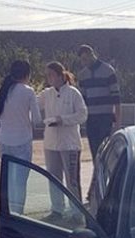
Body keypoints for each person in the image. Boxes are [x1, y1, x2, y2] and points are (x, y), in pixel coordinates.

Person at [38, 61, 88, 219]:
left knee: (72, 179)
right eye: (47, 75)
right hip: (51, 143)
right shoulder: (46, 94)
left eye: (51, 75)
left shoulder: (73, 93)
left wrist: (63, 119)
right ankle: (57, 209)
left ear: (60, 75)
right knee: (54, 178)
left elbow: (82, 115)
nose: (49, 78)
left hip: (70, 144)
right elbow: (33, 104)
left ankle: (76, 211)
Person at [0, 60, 42, 214]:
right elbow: (37, 120)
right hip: (22, 140)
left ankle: (6, 212)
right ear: (27, 74)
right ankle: (18, 213)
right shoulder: (28, 91)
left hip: (4, 140)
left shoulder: (3, 90)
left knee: (7, 181)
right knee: (20, 182)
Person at [76, 44, 121, 202]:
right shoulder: (82, 75)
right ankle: (98, 189)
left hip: (105, 117)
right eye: (81, 59)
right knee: (96, 155)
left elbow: (116, 97)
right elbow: (82, 100)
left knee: (102, 155)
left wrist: (117, 121)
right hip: (91, 119)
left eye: (86, 57)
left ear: (92, 54)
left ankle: (98, 190)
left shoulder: (108, 71)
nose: (84, 61)